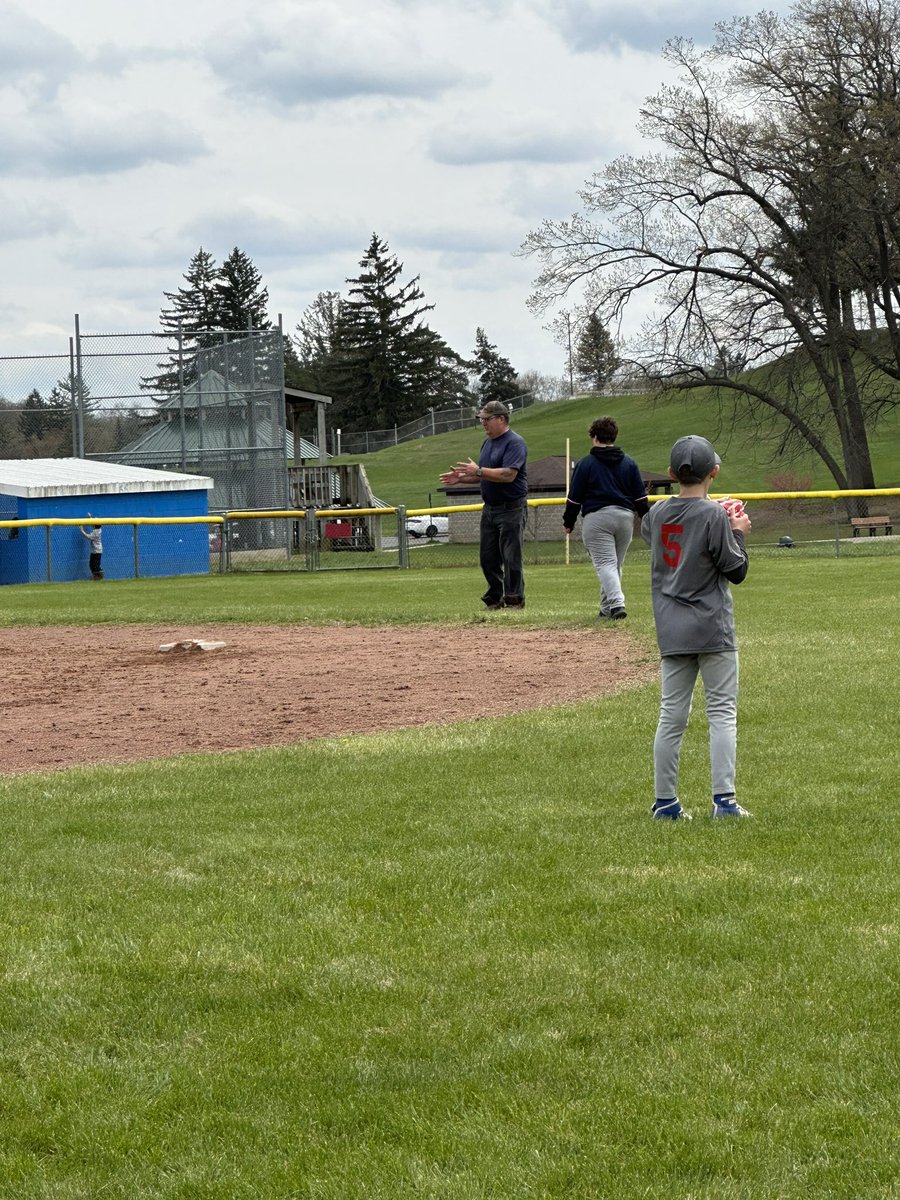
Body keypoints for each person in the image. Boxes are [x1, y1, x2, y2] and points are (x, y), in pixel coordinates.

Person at [640, 435, 752, 821]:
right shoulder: (714, 516)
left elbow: (660, 530)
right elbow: (736, 569)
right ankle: (724, 802)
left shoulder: (655, 514)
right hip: (711, 626)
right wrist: (737, 530)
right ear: (714, 472)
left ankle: (665, 803)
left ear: (672, 474)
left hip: (671, 628)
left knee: (671, 716)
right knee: (721, 712)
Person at [439, 400, 528, 609]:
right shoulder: (487, 443)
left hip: (511, 508)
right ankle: (495, 598)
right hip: (489, 509)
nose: (483, 424)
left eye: (487, 419)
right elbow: (485, 476)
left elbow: (508, 474)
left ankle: (514, 598)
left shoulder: (514, 442)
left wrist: (478, 471)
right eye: (481, 420)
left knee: (510, 556)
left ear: (501, 419)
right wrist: (462, 479)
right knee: (487, 557)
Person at [562, 416, 649, 619]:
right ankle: (606, 609)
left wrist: (568, 522)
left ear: (594, 437)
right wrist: (647, 518)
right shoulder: (629, 463)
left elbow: (574, 499)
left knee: (605, 564)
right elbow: (640, 498)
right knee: (614, 564)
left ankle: (617, 605)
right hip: (625, 518)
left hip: (597, 518)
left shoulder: (586, 464)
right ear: (614, 437)